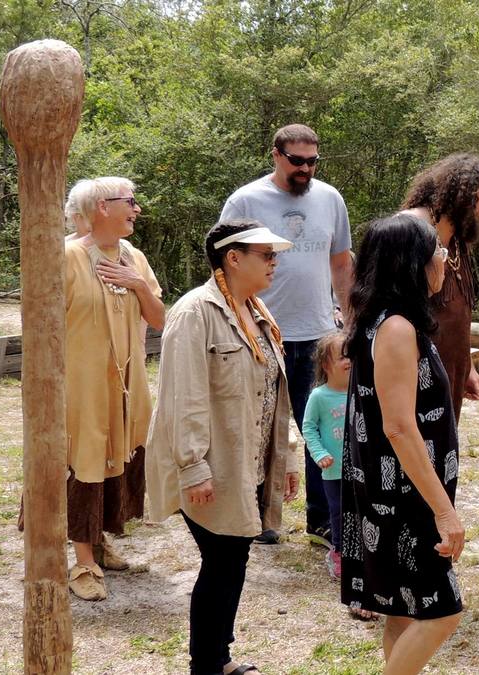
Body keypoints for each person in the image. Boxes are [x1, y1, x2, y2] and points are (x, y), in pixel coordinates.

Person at [146, 219, 301, 675]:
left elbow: (274, 394)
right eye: (266, 254)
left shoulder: (255, 311)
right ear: (233, 258)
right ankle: (211, 663)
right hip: (211, 464)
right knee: (224, 559)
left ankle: (216, 658)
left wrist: (286, 457)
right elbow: (183, 397)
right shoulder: (195, 313)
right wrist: (194, 467)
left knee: (231, 558)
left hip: (245, 461)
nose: (274, 262)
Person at [338, 213, 464, 674]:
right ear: (414, 264)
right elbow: (399, 427)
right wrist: (444, 510)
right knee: (442, 612)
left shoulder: (383, 320)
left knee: (401, 607)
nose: (445, 262)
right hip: (403, 496)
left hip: (393, 491)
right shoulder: (395, 329)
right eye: (439, 253)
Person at [220, 123, 353, 547]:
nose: (306, 168)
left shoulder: (330, 198)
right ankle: (259, 517)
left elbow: (341, 264)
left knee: (323, 428)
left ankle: (322, 521)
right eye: (297, 160)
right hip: (261, 333)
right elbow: (225, 263)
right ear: (275, 154)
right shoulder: (246, 200)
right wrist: (234, 318)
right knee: (260, 429)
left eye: (313, 161)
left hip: (317, 334)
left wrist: (348, 321)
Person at [62, 177, 164, 601]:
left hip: (125, 381)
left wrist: (137, 283)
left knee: (115, 452)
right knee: (84, 456)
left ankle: (100, 544)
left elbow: (159, 318)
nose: (136, 208)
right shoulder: (66, 256)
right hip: (79, 383)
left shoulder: (134, 257)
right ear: (102, 207)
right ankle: (82, 561)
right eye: (130, 202)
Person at [400, 153, 479, 422]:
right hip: (412, 375)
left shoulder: (457, 240)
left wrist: (467, 368)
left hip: (449, 374)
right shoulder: (411, 230)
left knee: (442, 459)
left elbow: (458, 315)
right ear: (461, 193)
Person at [304, 331, 350, 579]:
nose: (349, 361)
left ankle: (360, 554)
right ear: (325, 365)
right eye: (342, 356)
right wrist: (319, 453)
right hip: (333, 471)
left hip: (360, 469)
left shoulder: (360, 392)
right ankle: (338, 554)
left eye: (351, 355)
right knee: (339, 514)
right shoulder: (319, 396)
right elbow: (308, 428)